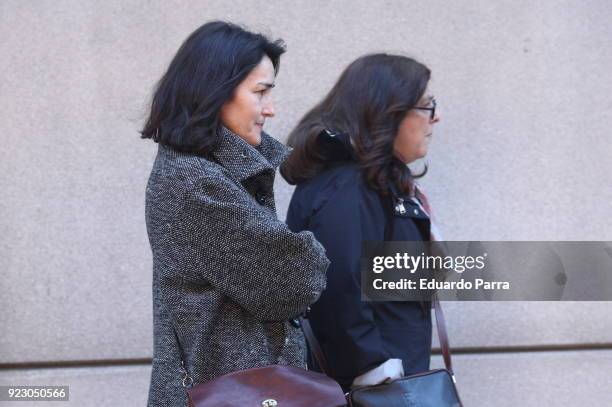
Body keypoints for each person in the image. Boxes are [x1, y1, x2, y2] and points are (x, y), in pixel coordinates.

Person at [141, 21, 329, 407]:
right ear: (213, 92)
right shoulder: (197, 184)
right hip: (233, 391)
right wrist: (307, 255)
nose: (271, 109)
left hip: (240, 388)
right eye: (260, 93)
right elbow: (293, 281)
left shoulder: (208, 173)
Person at [281, 53, 442, 392]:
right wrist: (372, 368)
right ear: (389, 111)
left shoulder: (373, 185)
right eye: (426, 106)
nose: (435, 117)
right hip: (372, 390)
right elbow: (336, 284)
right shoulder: (349, 187)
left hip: (388, 385)